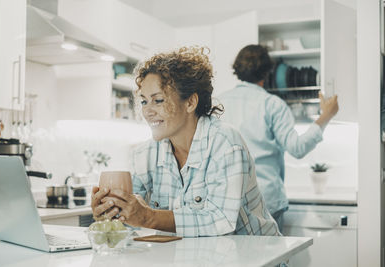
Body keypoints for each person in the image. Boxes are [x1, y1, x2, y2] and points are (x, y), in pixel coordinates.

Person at [91, 46, 280, 237]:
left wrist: (148, 217)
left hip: (256, 256)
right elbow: (132, 215)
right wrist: (113, 212)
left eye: (158, 100)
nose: (147, 111)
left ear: (190, 102)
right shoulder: (145, 153)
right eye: (144, 101)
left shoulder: (225, 143)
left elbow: (220, 220)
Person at [218, 44, 339, 231]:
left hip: (226, 201)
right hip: (265, 201)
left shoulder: (217, 103)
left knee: (233, 260)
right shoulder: (272, 105)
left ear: (237, 70)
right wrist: (326, 115)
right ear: (267, 73)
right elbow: (297, 148)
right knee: (270, 259)